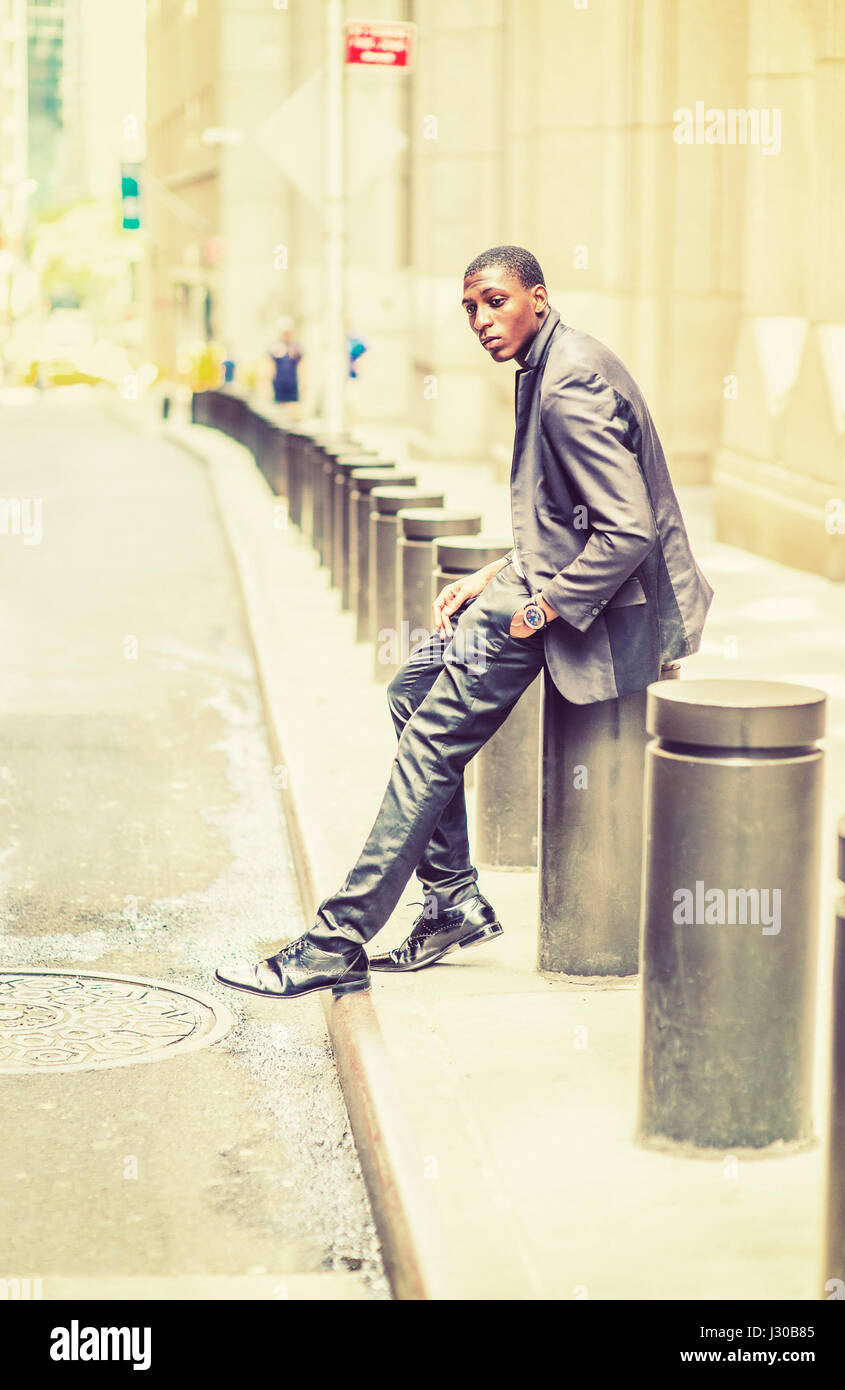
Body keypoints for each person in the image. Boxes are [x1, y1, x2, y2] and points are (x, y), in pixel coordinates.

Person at [216, 245, 714, 1000]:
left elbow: (626, 529)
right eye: (471, 309)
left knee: (426, 747)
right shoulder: (549, 362)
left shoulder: (566, 382)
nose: (481, 321)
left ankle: (334, 940)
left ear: (536, 298)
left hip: (573, 607)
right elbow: (566, 515)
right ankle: (450, 899)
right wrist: (493, 572)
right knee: (409, 693)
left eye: (495, 301)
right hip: (530, 587)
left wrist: (538, 607)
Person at [269, 316, 302, 405]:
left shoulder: (296, 348)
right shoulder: (274, 348)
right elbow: (270, 370)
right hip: (278, 389)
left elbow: (301, 368)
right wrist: (268, 389)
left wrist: (302, 386)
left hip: (293, 389)